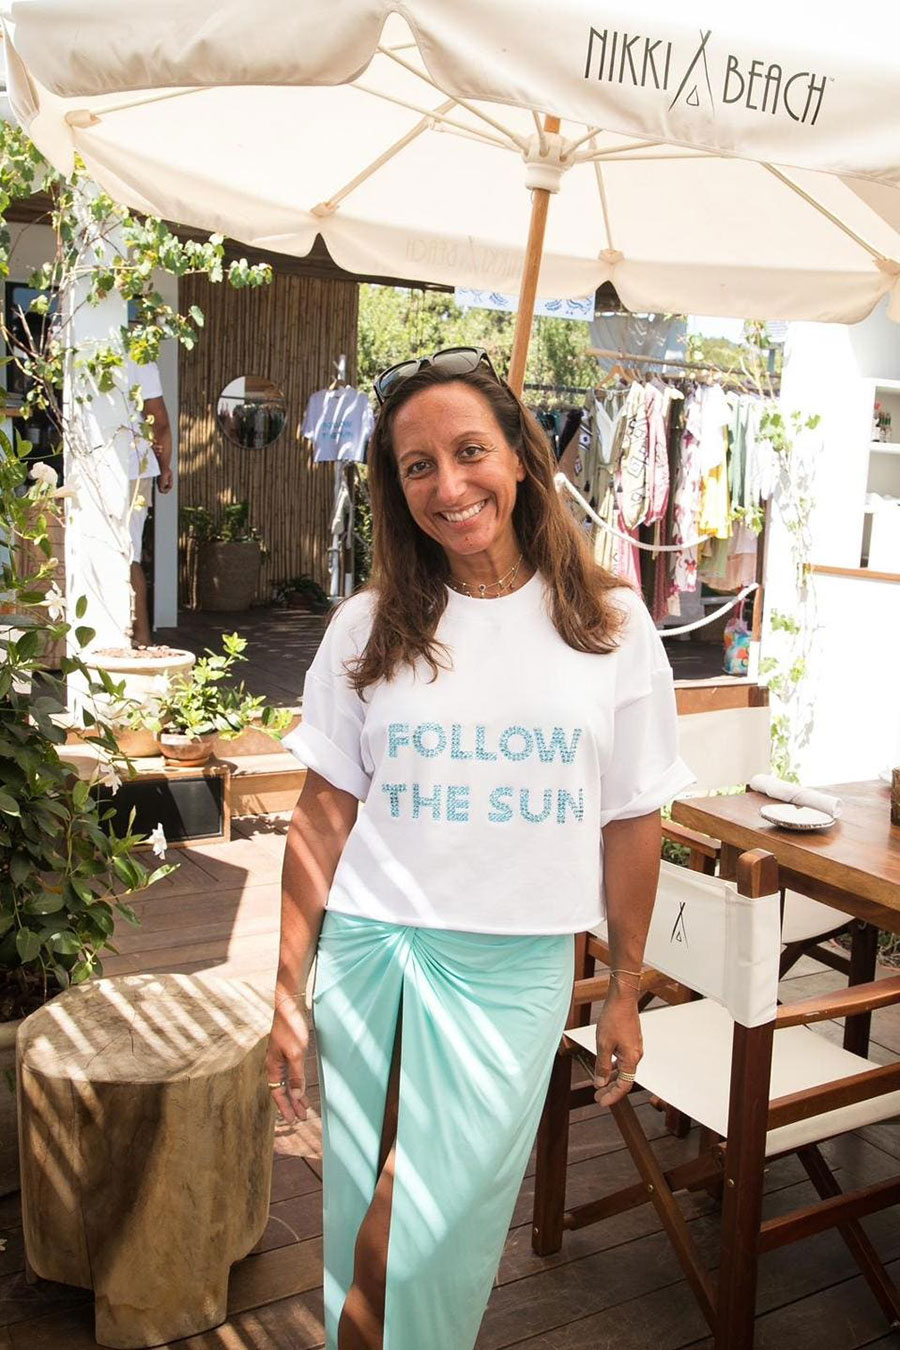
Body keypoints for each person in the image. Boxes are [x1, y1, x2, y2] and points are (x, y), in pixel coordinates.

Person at [266, 347, 693, 1350]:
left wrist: (627, 982)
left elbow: (634, 818)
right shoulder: (368, 629)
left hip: (516, 966)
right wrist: (287, 990)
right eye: (418, 466)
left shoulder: (613, 627)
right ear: (394, 487)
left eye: (470, 452)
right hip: (375, 950)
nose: (448, 486)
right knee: (370, 1227)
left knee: (446, 1236)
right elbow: (323, 813)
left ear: (522, 460)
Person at [126, 356, 173, 647]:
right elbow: (160, 422)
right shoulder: (140, 361)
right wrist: (165, 467)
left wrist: (163, 466)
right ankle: (140, 637)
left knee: (126, 553)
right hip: (136, 466)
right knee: (128, 551)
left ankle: (141, 637)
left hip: (130, 466)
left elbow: (160, 423)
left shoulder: (83, 350)